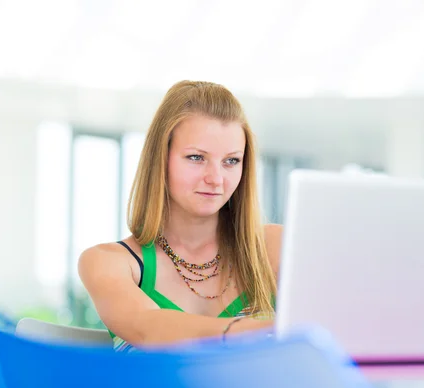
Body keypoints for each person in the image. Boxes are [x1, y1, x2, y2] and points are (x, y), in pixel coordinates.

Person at [78, 81, 283, 352]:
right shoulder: (108, 262)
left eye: (231, 161)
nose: (216, 179)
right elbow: (148, 327)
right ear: (160, 159)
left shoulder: (274, 247)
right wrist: (258, 330)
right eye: (196, 157)